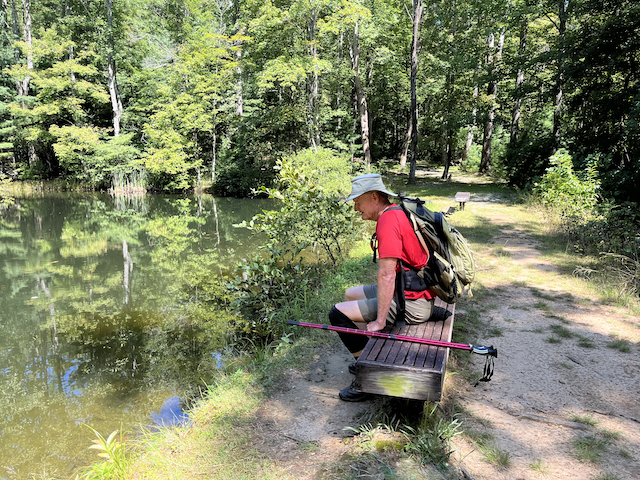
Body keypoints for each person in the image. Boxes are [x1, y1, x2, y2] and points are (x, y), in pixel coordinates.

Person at [329, 173, 436, 401]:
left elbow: (387, 275)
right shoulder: (395, 212)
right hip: (410, 291)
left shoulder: (388, 221)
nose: (356, 208)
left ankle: (367, 373)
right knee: (350, 294)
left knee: (337, 313)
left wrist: (379, 320)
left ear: (375, 197)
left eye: (358, 201)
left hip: (412, 303)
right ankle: (367, 352)